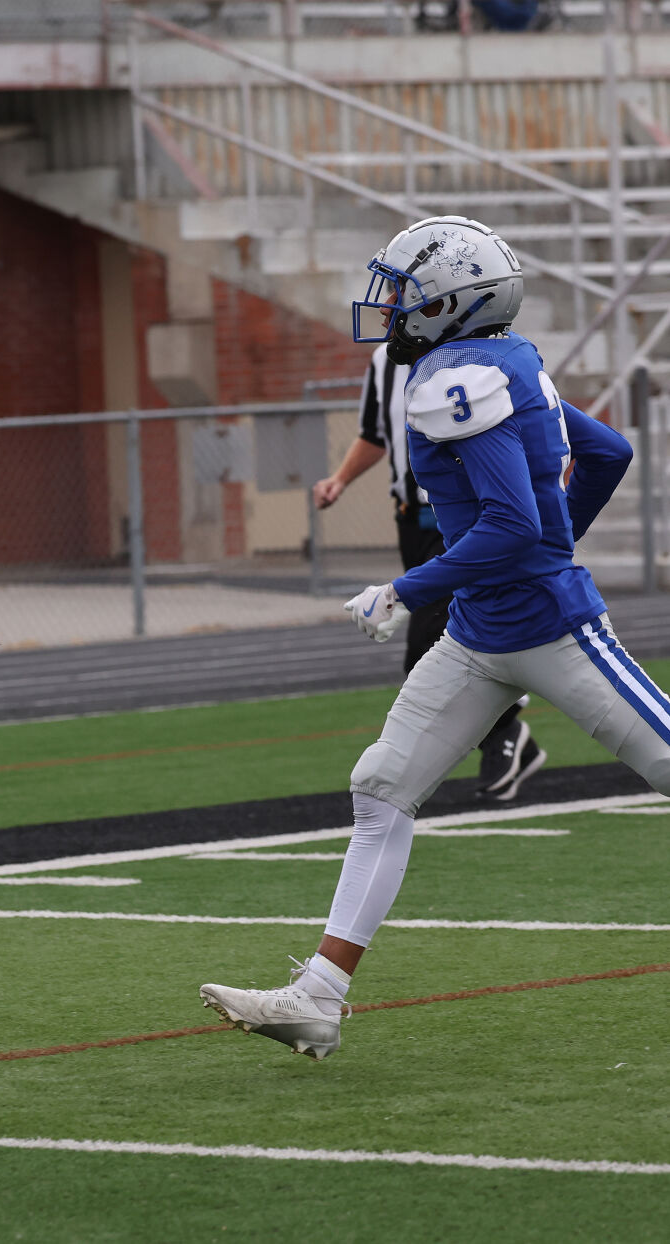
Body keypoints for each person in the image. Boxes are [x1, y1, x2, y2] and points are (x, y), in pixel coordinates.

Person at [200, 215, 643, 1061]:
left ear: (451, 302)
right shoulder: (500, 361)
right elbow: (608, 455)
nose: (389, 304)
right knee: (380, 785)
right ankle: (317, 997)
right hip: (481, 634)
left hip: (549, 627)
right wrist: (544, 544)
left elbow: (514, 523)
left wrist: (405, 588)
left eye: (402, 290)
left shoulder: (457, 376)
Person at [316, 342, 546, 801]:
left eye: (396, 295)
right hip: (411, 519)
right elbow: (374, 435)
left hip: (460, 517)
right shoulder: (384, 361)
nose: (385, 311)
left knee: (429, 646)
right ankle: (506, 737)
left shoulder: (477, 354)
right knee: (456, 636)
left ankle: (491, 739)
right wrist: (340, 478)